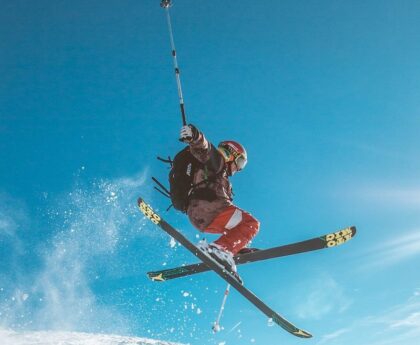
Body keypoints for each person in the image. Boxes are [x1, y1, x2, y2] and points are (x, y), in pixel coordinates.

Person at [179, 124, 260, 280]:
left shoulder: (220, 175)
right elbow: (205, 149)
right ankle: (221, 249)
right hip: (210, 208)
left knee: (237, 225)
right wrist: (195, 136)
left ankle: (231, 248)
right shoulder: (217, 162)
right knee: (251, 223)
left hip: (200, 216)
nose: (239, 168)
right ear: (231, 154)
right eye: (240, 162)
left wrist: (239, 245)